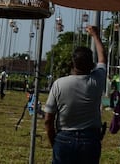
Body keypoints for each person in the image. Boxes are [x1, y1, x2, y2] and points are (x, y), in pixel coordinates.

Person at [44, 25, 107, 164]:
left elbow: (48, 119)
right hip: (90, 140)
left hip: (64, 138)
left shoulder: (59, 84)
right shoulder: (97, 81)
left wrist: (54, 141)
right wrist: (95, 35)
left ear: (72, 63)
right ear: (92, 65)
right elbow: (103, 58)